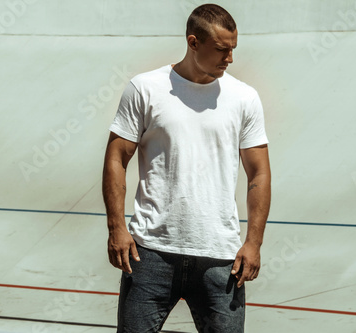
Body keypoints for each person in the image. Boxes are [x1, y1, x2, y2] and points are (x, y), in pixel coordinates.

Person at [102, 3, 271, 332]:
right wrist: (116, 228)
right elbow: (115, 156)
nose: (230, 58)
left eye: (233, 49)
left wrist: (254, 242)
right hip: (149, 254)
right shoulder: (145, 88)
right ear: (193, 43)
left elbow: (259, 173)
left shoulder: (244, 98)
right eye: (221, 49)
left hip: (221, 258)